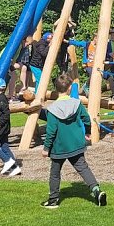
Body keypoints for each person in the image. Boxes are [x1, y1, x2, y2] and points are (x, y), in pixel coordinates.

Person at [41, 75, 107, 208]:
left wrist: (46, 148)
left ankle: (53, 200)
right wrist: (88, 132)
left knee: (55, 173)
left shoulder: (52, 109)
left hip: (59, 147)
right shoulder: (77, 104)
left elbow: (51, 131)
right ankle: (96, 191)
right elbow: (86, 119)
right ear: (70, 88)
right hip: (76, 144)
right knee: (83, 168)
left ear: (56, 89)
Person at [0, 78, 21, 176]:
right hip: (3, 128)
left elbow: (6, 114)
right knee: (4, 146)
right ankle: (15, 168)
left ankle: (8, 161)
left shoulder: (1, 100)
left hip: (1, 128)